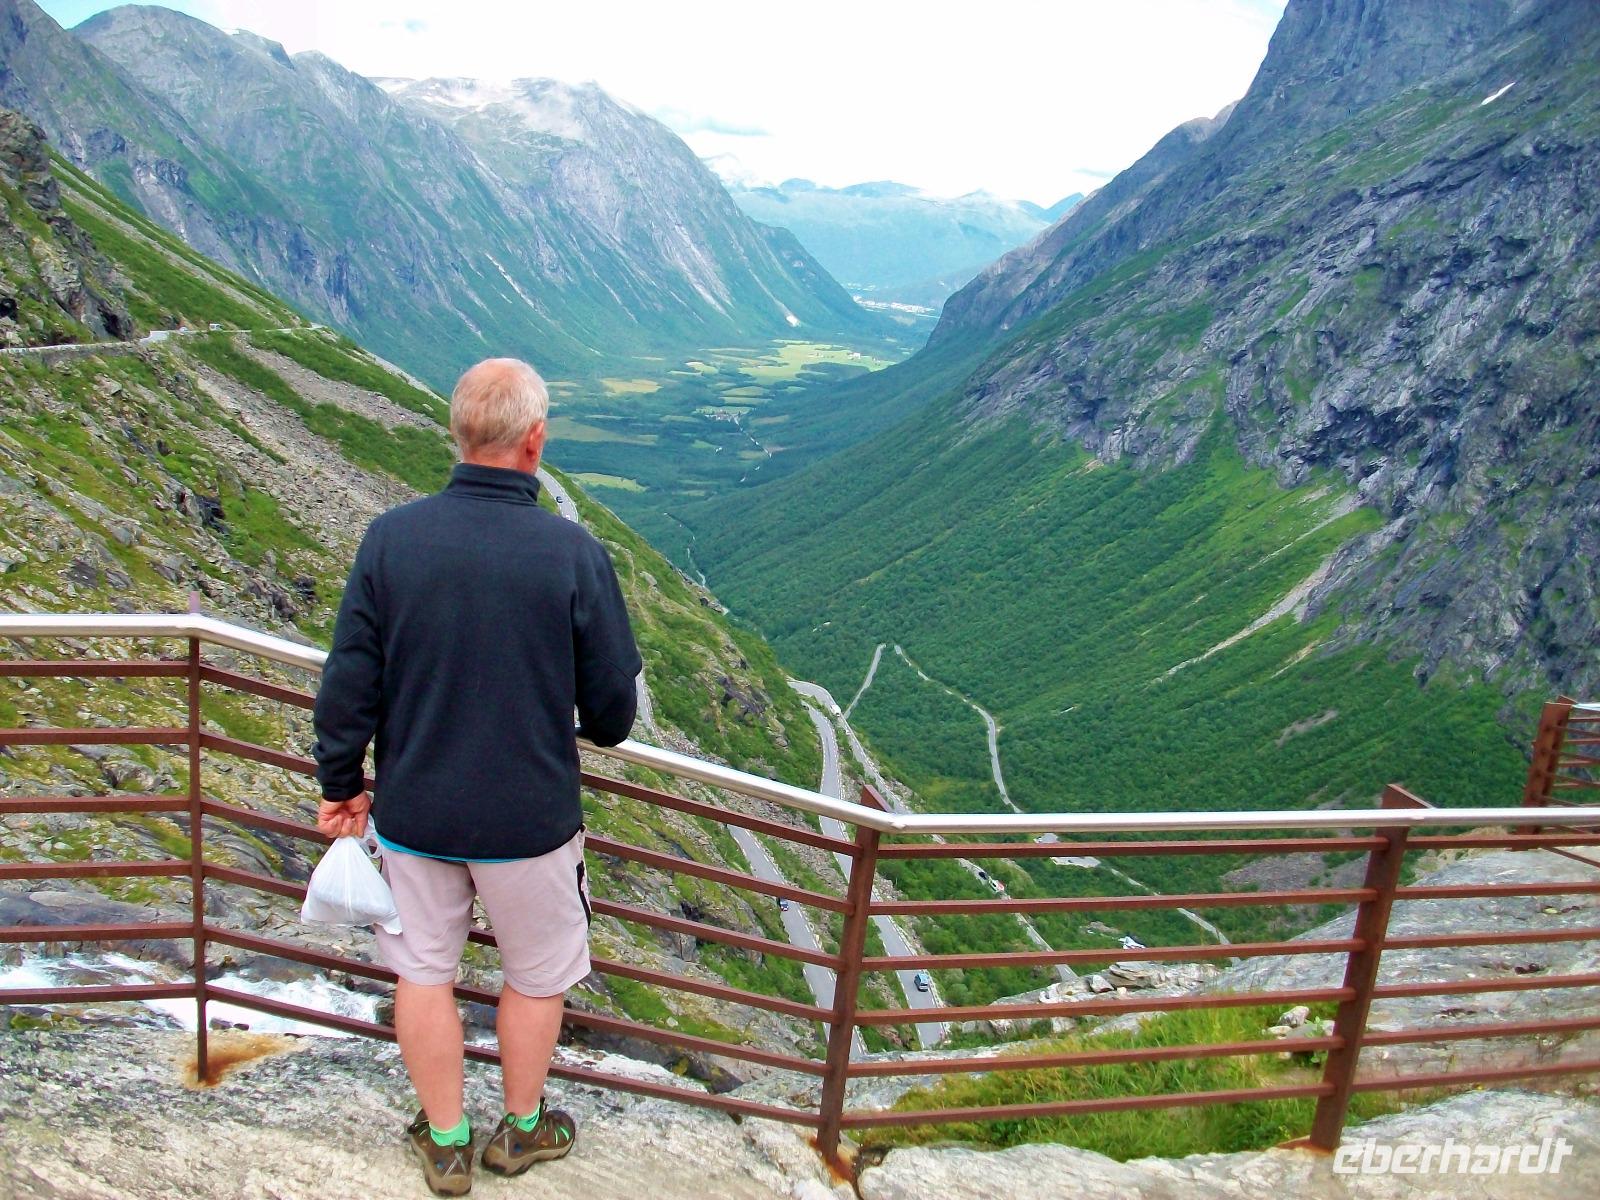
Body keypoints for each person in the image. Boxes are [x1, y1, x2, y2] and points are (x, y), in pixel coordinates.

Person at [312, 357, 641, 1196]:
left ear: (459, 434)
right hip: (530, 819)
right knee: (536, 978)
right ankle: (522, 1130)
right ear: (535, 441)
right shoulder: (573, 553)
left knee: (423, 972)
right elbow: (611, 714)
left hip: (416, 810)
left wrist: (341, 783)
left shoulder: (392, 539)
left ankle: (447, 1140)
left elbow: (350, 680)